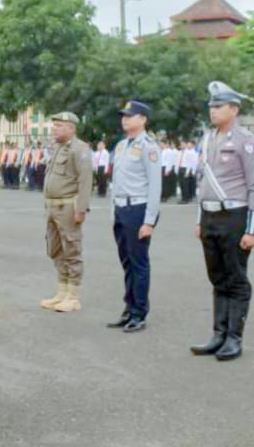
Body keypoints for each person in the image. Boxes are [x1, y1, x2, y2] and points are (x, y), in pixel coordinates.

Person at [190, 81, 254, 361]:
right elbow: (202, 182)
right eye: (211, 106)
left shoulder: (246, 141)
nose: (212, 111)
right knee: (217, 277)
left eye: (218, 106)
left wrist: (253, 229)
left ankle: (234, 337)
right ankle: (218, 334)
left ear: (234, 109)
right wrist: (200, 219)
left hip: (234, 215)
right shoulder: (208, 138)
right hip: (210, 215)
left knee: (235, 279)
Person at [107, 101, 161, 333]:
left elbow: (155, 186)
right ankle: (129, 308)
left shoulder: (149, 147)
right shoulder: (120, 146)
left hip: (137, 209)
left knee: (139, 263)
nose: (125, 119)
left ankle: (139, 312)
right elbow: (116, 182)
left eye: (130, 116)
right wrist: (113, 211)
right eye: (123, 116)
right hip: (121, 209)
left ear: (143, 119)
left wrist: (149, 220)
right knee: (127, 262)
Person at [40, 112, 93, 313]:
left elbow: (85, 180)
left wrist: (81, 209)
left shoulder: (79, 149)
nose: (54, 128)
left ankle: (73, 296)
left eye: (59, 125)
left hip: (68, 207)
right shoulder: (58, 148)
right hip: (53, 206)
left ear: (71, 128)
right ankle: (61, 291)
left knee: (71, 250)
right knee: (55, 249)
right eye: (53, 125)